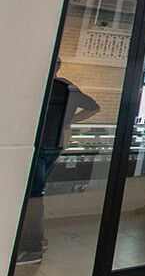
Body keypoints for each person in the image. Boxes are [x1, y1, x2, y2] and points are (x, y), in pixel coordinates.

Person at [17, 59, 99, 265]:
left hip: (41, 146)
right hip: (53, 145)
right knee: (35, 193)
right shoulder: (67, 88)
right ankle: (34, 240)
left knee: (33, 195)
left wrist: (68, 121)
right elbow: (93, 108)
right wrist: (69, 121)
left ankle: (32, 246)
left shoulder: (48, 87)